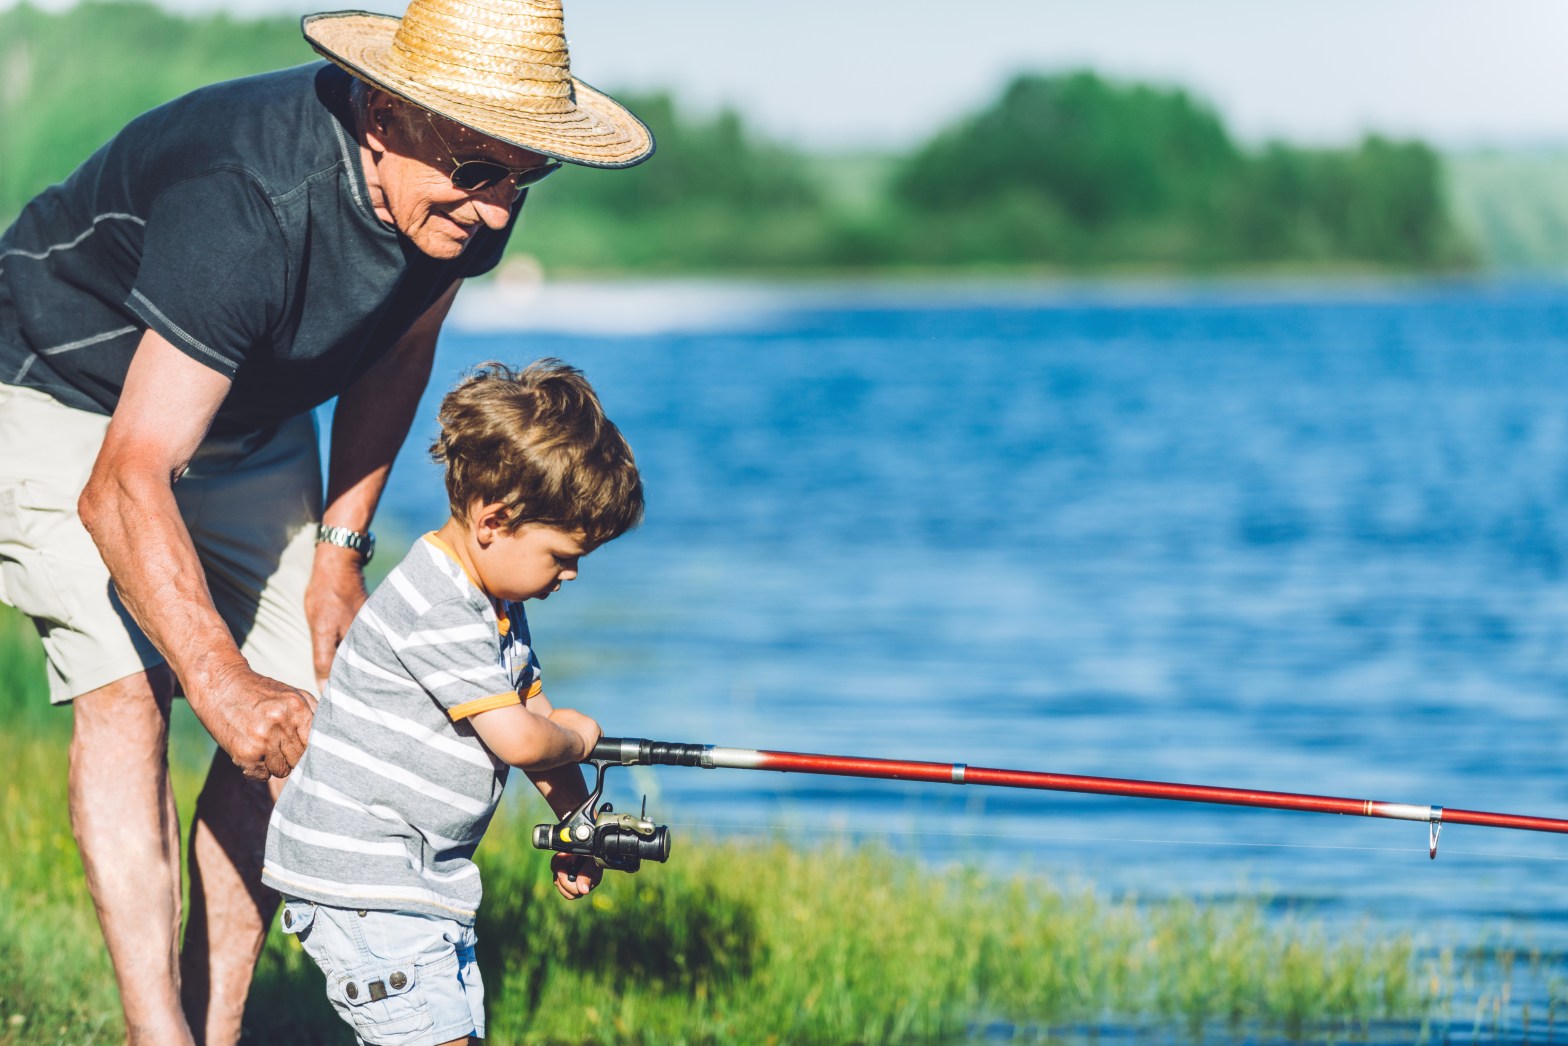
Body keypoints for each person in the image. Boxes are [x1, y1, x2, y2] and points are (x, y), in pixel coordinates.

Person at [0, 0, 652, 1041]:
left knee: (312, 699)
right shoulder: (249, 199)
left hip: (244, 409)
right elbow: (122, 483)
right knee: (133, 688)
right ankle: (155, 1032)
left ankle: (214, 1025)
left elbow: (394, 354)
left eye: (522, 178)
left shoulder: (461, 207)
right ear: (385, 114)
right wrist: (219, 682)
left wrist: (340, 553)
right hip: (60, 387)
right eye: (476, 170)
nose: (493, 209)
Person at [261, 359, 640, 1045]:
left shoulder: (493, 601)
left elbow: (536, 714)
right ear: (493, 520)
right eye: (562, 555)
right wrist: (580, 740)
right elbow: (525, 740)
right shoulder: (437, 606)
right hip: (366, 881)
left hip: (420, 882)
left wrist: (577, 820)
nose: (572, 574)